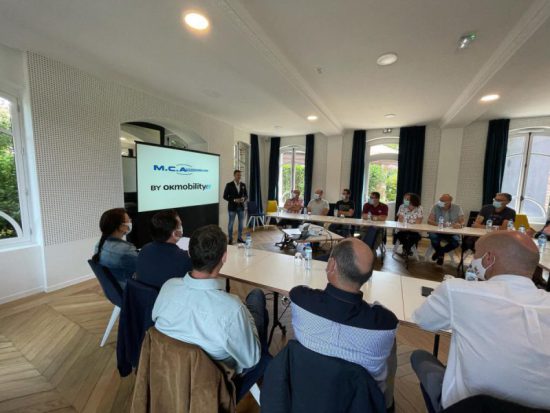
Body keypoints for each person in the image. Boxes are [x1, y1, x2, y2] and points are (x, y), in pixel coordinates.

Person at [410, 231, 550, 411]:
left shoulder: (458, 291)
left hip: (468, 407)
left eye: (477, 253)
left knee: (419, 357)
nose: (474, 259)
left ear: (489, 258)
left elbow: (423, 320)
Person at [152, 225, 271, 402]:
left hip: (169, 374)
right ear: (224, 257)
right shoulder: (232, 308)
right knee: (256, 297)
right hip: (214, 388)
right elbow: (251, 360)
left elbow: (155, 320)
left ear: (190, 253)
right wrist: (248, 319)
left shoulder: (168, 286)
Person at [290, 238, 399, 409]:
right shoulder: (384, 324)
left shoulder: (300, 300)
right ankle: (388, 404)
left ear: (331, 265)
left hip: (306, 393)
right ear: (367, 277)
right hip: (359, 402)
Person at [136, 209, 192, 289]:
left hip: (144, 296)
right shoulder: (185, 259)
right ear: (174, 233)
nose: (181, 227)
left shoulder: (144, 250)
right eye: (180, 225)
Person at [92, 208, 137, 288]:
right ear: (121, 226)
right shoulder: (127, 250)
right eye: (128, 220)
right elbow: (143, 271)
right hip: (128, 290)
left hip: (113, 289)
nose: (130, 221)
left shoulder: (99, 245)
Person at [427, 194, 465, 265]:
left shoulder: (457, 207)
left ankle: (439, 253)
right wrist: (440, 224)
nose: (440, 202)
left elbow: (462, 221)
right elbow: (429, 221)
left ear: (449, 201)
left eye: (443, 201)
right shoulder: (435, 206)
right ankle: (441, 255)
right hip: (437, 231)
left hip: (452, 232)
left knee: (456, 242)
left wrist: (459, 225)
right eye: (440, 200)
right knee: (433, 236)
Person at [223, 169, 248, 245]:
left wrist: (243, 199)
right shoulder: (229, 185)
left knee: (241, 224)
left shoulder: (243, 185)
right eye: (238, 175)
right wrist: (234, 200)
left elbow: (246, 196)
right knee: (231, 224)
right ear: (234, 175)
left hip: (241, 207)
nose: (239, 176)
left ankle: (239, 238)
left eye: (240, 175)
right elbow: (225, 196)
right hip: (232, 208)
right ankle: (230, 239)